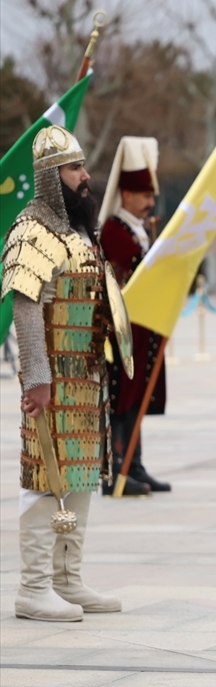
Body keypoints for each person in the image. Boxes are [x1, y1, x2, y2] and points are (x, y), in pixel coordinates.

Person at [2, 126, 122, 621]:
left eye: (83, 166)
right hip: (52, 378)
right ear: (53, 176)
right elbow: (26, 306)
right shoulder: (33, 229)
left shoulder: (75, 233)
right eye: (75, 169)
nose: (85, 176)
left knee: (78, 475)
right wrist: (37, 377)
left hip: (85, 377)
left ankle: (66, 581)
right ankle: (33, 588)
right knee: (45, 478)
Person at [97, 136, 167, 496]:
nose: (150, 203)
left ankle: (134, 465)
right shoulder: (115, 229)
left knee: (137, 396)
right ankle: (114, 469)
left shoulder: (139, 229)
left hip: (140, 329)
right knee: (120, 396)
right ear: (126, 196)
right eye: (145, 196)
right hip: (120, 333)